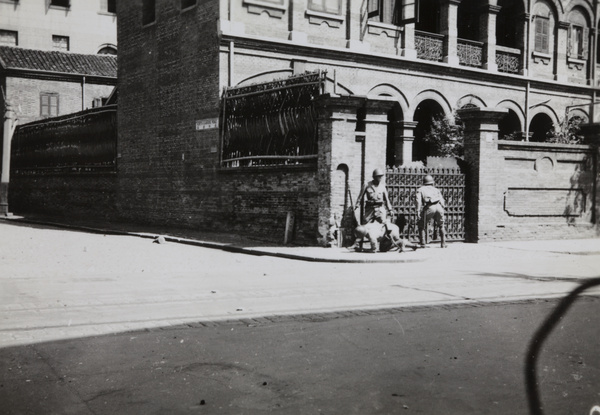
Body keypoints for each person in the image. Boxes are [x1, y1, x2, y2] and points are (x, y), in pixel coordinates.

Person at [350, 168, 393, 252]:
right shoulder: (367, 185)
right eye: (378, 177)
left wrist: (390, 209)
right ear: (374, 177)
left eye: (381, 177)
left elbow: (387, 199)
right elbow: (360, 196)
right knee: (364, 226)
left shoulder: (382, 187)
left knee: (384, 225)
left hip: (380, 208)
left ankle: (385, 244)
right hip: (369, 208)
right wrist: (357, 205)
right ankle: (358, 243)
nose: (380, 178)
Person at [416, 174, 447, 248]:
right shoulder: (436, 189)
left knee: (421, 224)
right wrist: (442, 208)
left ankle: (423, 243)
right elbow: (442, 200)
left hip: (429, 207)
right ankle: (443, 243)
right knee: (441, 225)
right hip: (439, 206)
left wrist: (418, 211)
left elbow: (418, 201)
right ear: (432, 182)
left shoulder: (420, 190)